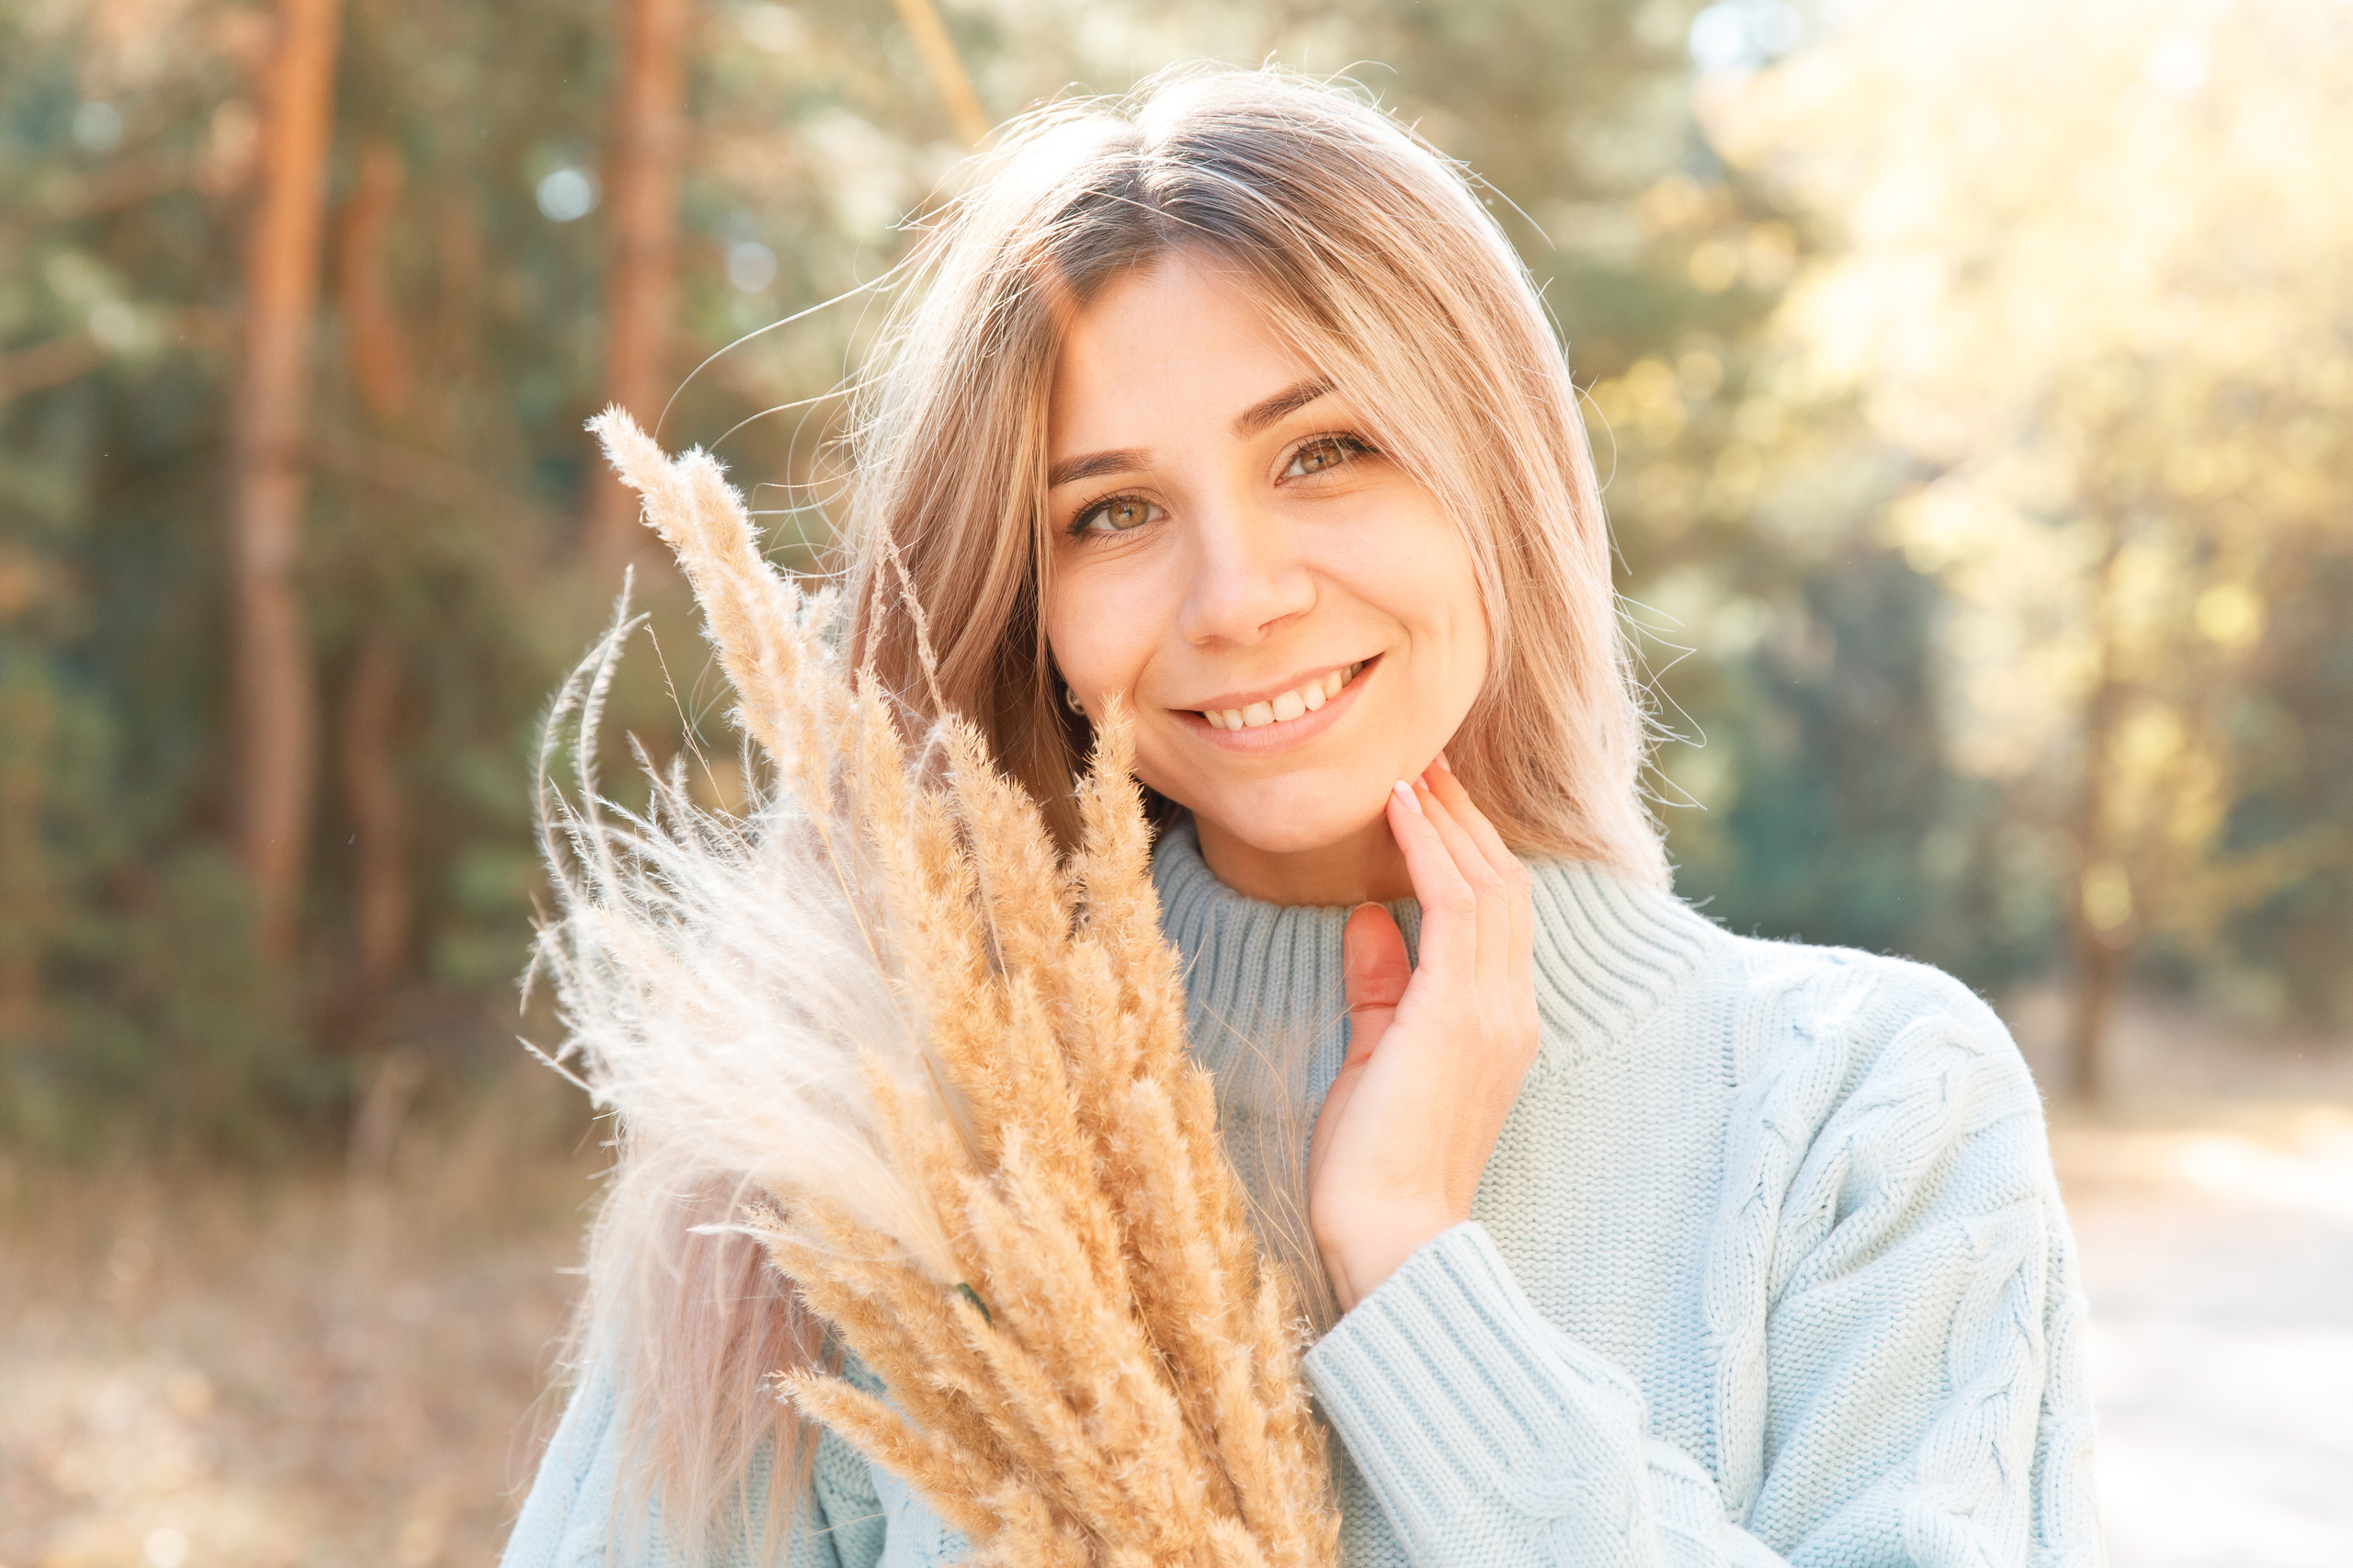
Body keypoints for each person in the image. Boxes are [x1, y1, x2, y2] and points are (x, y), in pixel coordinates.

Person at [503, 65, 2103, 1568]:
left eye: (1326, 451)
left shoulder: (1869, 1112)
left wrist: (1411, 1266)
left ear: (1499, 471)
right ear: (1026, 600)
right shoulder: (885, 1150)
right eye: (1113, 511)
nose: (1241, 596)